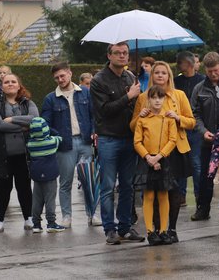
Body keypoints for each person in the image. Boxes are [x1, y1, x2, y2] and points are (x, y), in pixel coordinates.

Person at [131, 61, 195, 241]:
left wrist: (178, 117)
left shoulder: (179, 95)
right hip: (150, 151)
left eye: (164, 73)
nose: (160, 75)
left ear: (169, 76)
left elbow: (191, 122)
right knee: (152, 191)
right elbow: (133, 127)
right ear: (152, 76)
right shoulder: (144, 97)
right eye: (156, 72)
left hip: (175, 149)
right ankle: (156, 230)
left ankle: (170, 229)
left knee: (173, 192)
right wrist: (140, 117)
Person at [90, 42, 145, 244]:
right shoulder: (98, 81)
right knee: (107, 186)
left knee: (128, 186)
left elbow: (135, 109)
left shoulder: (131, 77)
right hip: (108, 138)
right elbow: (103, 110)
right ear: (109, 55)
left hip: (129, 138)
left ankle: (125, 226)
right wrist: (128, 96)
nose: (122, 56)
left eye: (125, 53)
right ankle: (109, 229)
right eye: (118, 53)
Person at [40, 61, 94, 227]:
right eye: (56, 78)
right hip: (65, 146)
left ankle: (92, 214)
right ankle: (66, 217)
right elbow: (46, 124)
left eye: (62, 75)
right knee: (65, 182)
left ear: (70, 73)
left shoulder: (85, 92)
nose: (60, 79)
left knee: (89, 181)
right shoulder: (50, 99)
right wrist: (59, 136)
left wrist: (94, 131)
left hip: (85, 141)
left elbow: (94, 115)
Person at [191, 51, 219, 221]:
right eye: (209, 71)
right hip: (208, 138)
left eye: (216, 70)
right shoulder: (199, 88)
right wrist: (203, 131)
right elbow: (194, 114)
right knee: (205, 175)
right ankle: (203, 208)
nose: (213, 74)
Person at [133, 85, 178, 246]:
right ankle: (150, 231)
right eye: (154, 97)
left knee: (163, 195)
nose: (157, 100)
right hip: (147, 160)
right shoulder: (143, 120)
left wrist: (159, 156)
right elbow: (137, 141)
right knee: (149, 195)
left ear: (165, 99)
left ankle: (163, 230)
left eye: (160, 97)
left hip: (163, 159)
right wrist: (148, 157)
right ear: (148, 100)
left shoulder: (169, 119)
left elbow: (173, 140)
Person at [0, 74, 37, 233]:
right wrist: (23, 126)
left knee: (25, 187)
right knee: (3, 188)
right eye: (7, 82)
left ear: (19, 85)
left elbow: (35, 120)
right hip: (3, 155)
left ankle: (29, 218)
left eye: (13, 82)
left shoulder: (28, 103)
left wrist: (11, 119)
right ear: (2, 86)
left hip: (24, 155)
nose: (10, 84)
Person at [174, 51, 205, 209]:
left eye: (180, 62)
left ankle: (200, 195)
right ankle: (181, 195)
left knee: (196, 162)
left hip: (195, 127)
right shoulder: (175, 81)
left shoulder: (202, 81)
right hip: (179, 126)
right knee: (180, 162)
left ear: (189, 64)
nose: (178, 65)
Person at [27, 117, 64, 233]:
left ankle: (36, 224)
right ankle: (51, 223)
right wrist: (50, 131)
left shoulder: (30, 144)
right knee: (50, 199)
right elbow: (59, 137)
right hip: (50, 176)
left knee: (36, 200)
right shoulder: (52, 142)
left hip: (37, 176)